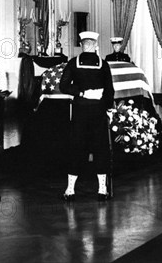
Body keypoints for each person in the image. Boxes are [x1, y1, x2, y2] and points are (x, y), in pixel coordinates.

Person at [59, 31, 115, 201]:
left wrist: (81, 93)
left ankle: (70, 190)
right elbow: (110, 90)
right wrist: (108, 108)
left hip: (80, 112)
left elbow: (63, 86)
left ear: (82, 46)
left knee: (76, 148)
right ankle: (102, 189)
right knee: (100, 148)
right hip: (98, 112)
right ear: (95, 46)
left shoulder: (73, 63)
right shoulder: (104, 64)